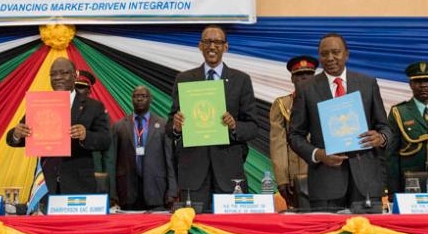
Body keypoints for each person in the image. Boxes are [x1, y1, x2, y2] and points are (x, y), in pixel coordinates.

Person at [288, 33, 392, 212]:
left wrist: (381, 137)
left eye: (335, 52)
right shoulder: (306, 89)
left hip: (366, 181)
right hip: (326, 183)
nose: (330, 58)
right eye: (324, 54)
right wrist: (318, 154)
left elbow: (385, 127)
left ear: (346, 54)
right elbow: (294, 135)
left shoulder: (367, 83)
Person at [166, 25, 258, 212]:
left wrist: (234, 126)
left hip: (229, 172)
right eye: (207, 42)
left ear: (226, 47)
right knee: (193, 230)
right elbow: (170, 127)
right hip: (193, 173)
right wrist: (176, 127)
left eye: (217, 42)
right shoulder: (184, 79)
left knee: (230, 229)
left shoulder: (241, 80)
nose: (212, 46)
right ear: (200, 46)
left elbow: (253, 127)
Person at [6, 57, 110, 194]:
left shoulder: (93, 106)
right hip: (45, 183)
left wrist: (86, 135)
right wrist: (16, 134)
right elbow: (13, 139)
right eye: (53, 74)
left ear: (75, 75)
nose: (58, 77)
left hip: (79, 184)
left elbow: (105, 141)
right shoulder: (40, 104)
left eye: (63, 73)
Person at [107, 85, 177, 210]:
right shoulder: (119, 126)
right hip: (126, 189)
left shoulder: (163, 124)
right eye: (136, 96)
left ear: (151, 99)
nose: (139, 99)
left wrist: (172, 191)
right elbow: (112, 161)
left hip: (157, 189)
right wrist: (112, 193)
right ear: (132, 99)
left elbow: (169, 160)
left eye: (143, 96)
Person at [269, 55, 317, 209]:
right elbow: (278, 144)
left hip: (326, 174)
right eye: (299, 75)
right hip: (296, 177)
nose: (304, 78)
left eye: (308, 74)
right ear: (292, 79)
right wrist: (282, 180)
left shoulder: (328, 102)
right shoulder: (282, 105)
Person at [386, 61, 428, 193]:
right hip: (409, 181)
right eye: (418, 81)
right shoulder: (399, 112)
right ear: (410, 84)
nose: (423, 85)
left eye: (427, 81)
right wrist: (393, 189)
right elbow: (391, 154)